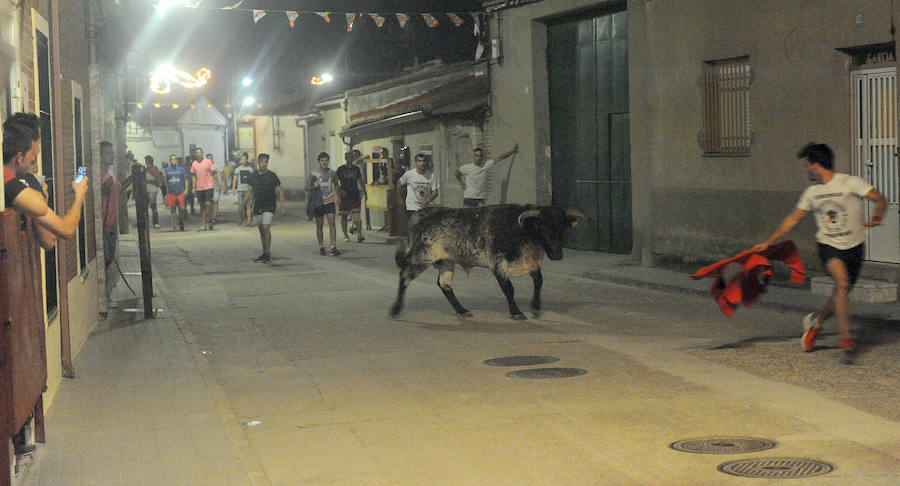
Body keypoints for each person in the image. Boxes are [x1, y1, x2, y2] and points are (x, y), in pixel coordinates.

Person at [753, 143, 887, 364]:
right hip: (828, 246)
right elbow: (792, 219)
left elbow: (878, 199)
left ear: (817, 164)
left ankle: (816, 325)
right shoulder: (812, 193)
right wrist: (768, 241)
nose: (806, 170)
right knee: (842, 284)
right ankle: (845, 339)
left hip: (854, 247)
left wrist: (878, 215)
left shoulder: (849, 182)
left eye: (807, 165)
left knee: (839, 293)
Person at [2, 112, 89, 250]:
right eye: (33, 154)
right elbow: (65, 230)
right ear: (19, 157)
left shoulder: (21, 179)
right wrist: (79, 195)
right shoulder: (9, 183)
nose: (34, 159)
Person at [240, 153, 285, 263]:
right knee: (261, 230)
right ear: (258, 162)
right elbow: (249, 191)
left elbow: (280, 191)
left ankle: (268, 252)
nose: (263, 164)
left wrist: (283, 205)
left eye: (265, 162)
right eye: (262, 161)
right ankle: (264, 251)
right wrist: (243, 203)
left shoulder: (272, 176)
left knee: (266, 227)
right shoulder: (253, 176)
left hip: (269, 205)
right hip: (258, 205)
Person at [306, 152, 341, 255]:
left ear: (328, 161)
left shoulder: (332, 173)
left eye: (326, 160)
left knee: (332, 223)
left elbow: (336, 185)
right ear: (319, 162)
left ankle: (333, 246)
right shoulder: (314, 174)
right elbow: (306, 187)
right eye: (322, 161)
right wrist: (314, 186)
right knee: (319, 225)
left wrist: (338, 197)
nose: (324, 163)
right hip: (318, 202)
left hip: (329, 200)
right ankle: (321, 246)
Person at [397, 153, 439, 220]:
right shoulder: (409, 174)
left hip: (425, 208)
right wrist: (400, 198)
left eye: (423, 161)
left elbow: (435, 192)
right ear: (416, 163)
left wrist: (427, 200)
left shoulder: (431, 176)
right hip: (412, 207)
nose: (422, 163)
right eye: (419, 161)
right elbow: (399, 183)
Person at [337, 150, 366, 243]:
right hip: (344, 196)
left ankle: (359, 234)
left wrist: (365, 191)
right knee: (344, 217)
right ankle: (346, 236)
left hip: (355, 194)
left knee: (357, 216)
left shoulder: (356, 169)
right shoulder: (340, 169)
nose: (350, 159)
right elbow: (335, 182)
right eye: (348, 157)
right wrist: (339, 192)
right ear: (345, 158)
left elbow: (361, 180)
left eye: (352, 157)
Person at [190, 147, 218, 230]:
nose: (199, 154)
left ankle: (211, 221)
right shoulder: (194, 163)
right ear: (196, 154)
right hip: (199, 187)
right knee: (202, 206)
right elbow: (193, 176)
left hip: (209, 186)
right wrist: (193, 187)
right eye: (197, 152)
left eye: (200, 152)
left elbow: (214, 173)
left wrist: (218, 185)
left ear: (202, 153)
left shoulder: (208, 161)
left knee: (208, 204)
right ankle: (203, 223)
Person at [163, 154, 187, 232]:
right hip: (171, 192)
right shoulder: (167, 170)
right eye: (172, 159)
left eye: (175, 159)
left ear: (176, 160)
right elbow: (165, 181)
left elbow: (185, 179)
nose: (173, 160)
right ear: (170, 161)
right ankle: (175, 226)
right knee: (173, 210)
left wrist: (186, 189)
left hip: (180, 191)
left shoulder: (181, 169)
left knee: (182, 208)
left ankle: (181, 221)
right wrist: (167, 192)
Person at [231, 152, 253, 225]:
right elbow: (235, 179)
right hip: (240, 190)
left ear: (247, 160)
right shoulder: (237, 169)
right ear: (240, 160)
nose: (243, 160)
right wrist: (234, 188)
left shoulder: (250, 169)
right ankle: (241, 218)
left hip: (248, 190)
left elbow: (253, 180)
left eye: (245, 159)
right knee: (240, 206)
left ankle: (249, 221)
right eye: (242, 159)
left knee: (249, 206)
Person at [143, 155, 161, 228]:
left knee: (153, 206)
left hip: (152, 190)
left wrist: (149, 180)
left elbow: (157, 180)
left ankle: (155, 222)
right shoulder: (145, 169)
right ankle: (146, 223)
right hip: (146, 190)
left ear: (150, 161)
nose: (146, 162)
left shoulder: (154, 169)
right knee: (145, 207)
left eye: (147, 160)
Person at [207, 153, 221, 224]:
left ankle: (213, 218)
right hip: (207, 187)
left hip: (215, 187)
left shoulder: (215, 166)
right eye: (208, 158)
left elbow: (216, 176)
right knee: (209, 203)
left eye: (211, 158)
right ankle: (210, 217)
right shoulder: (205, 166)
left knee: (215, 202)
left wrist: (218, 185)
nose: (210, 160)